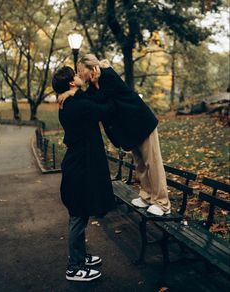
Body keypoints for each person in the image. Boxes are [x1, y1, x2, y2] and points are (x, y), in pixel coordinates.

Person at [58, 54, 171, 216]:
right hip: (129, 130)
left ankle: (162, 203)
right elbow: (89, 101)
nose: (80, 74)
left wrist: (83, 89)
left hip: (141, 123)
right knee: (140, 164)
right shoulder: (92, 87)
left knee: (152, 163)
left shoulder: (108, 75)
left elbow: (105, 100)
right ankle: (147, 196)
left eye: (81, 70)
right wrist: (69, 93)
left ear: (92, 68)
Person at [52, 66, 116, 282]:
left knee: (81, 213)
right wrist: (98, 86)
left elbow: (89, 102)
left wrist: (82, 89)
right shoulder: (75, 104)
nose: (80, 77)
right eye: (77, 76)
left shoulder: (70, 101)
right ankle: (74, 267)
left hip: (78, 164)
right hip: (78, 168)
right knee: (78, 216)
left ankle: (80, 256)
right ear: (71, 83)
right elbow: (105, 108)